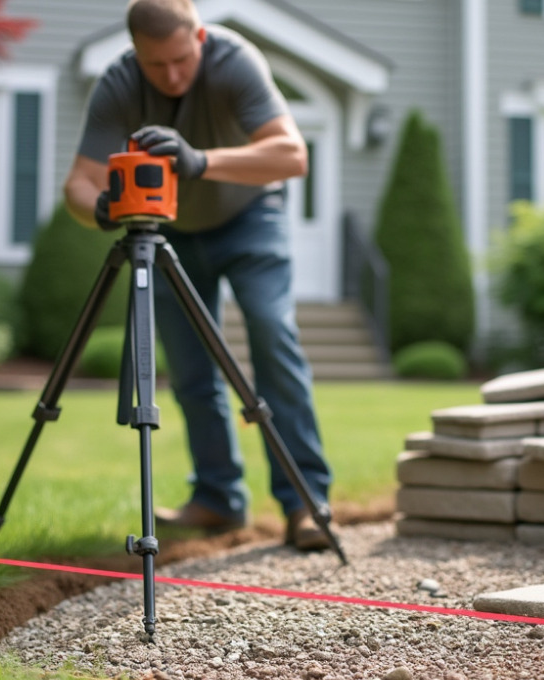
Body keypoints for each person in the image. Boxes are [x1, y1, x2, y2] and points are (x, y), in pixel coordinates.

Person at [63, 0, 333, 551]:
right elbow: (78, 184)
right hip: (169, 231)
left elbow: (292, 155)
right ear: (135, 52)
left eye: (181, 60)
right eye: (155, 65)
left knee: (272, 334)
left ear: (200, 38)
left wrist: (200, 161)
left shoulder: (235, 61)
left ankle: (306, 502)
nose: (171, 76)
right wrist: (104, 210)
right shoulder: (119, 82)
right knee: (189, 367)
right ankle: (218, 498)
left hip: (250, 217)